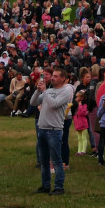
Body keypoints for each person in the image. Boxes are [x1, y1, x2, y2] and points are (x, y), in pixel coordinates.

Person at [32, 67, 73, 195]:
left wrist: (44, 92)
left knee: (56, 160)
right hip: (43, 128)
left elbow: (54, 104)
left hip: (54, 129)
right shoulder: (48, 90)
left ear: (63, 79)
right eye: (52, 75)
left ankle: (59, 186)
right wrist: (38, 91)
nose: (53, 78)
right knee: (44, 161)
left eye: (56, 76)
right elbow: (33, 102)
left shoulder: (65, 92)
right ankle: (45, 185)